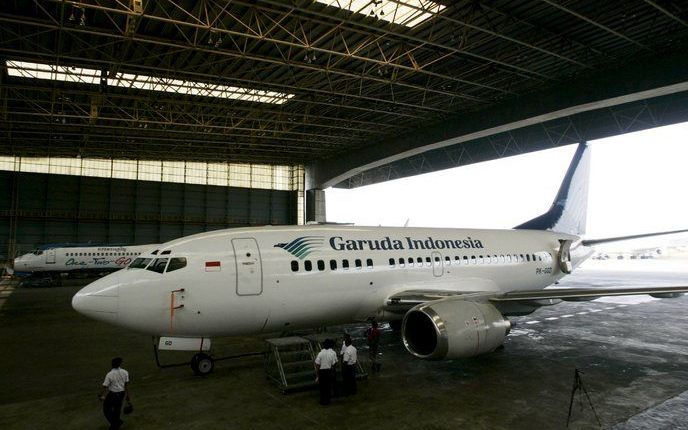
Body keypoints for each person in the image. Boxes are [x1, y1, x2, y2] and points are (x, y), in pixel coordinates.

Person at [99, 357, 131, 430]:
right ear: (120, 364)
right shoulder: (125, 372)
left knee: (106, 409)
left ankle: (115, 424)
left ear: (112, 365)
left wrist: (101, 395)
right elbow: (126, 385)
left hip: (113, 395)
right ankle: (116, 423)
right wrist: (128, 396)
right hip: (122, 394)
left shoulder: (110, 374)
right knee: (117, 410)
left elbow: (105, 386)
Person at [314, 338, 338, 405]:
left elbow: (317, 364)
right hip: (329, 370)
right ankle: (327, 400)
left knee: (322, 387)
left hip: (322, 371)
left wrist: (317, 374)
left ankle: (322, 400)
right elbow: (335, 363)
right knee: (328, 386)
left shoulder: (320, 353)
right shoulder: (332, 353)